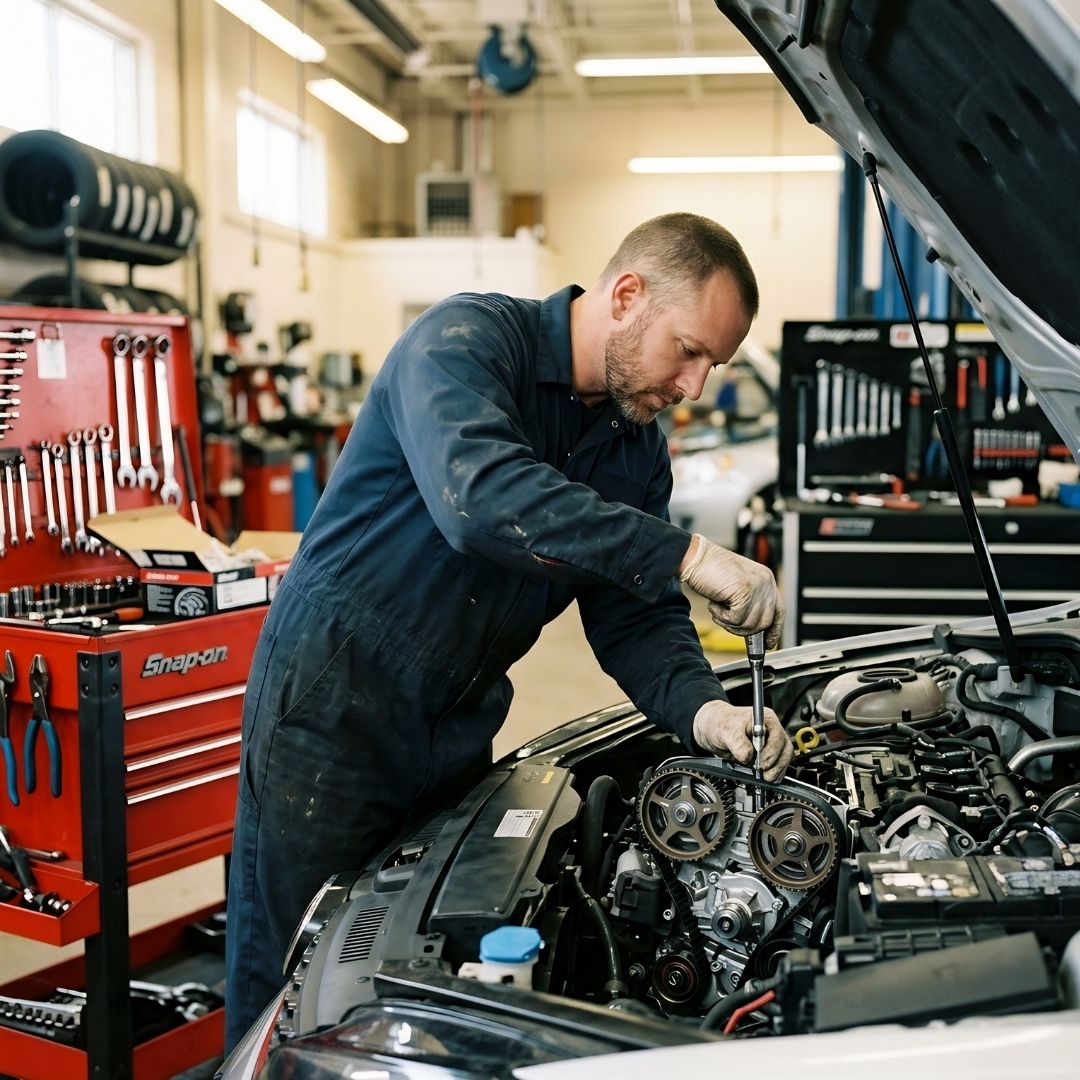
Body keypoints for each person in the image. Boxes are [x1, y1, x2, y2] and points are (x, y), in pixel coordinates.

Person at [224, 211, 792, 1049]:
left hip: (457, 723)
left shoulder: (632, 449)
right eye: (690, 350)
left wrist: (705, 711)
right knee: (293, 979)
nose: (695, 386)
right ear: (627, 295)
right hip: (330, 712)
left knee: (414, 969)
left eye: (714, 363)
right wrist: (687, 555)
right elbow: (481, 500)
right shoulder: (464, 343)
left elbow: (634, 613)